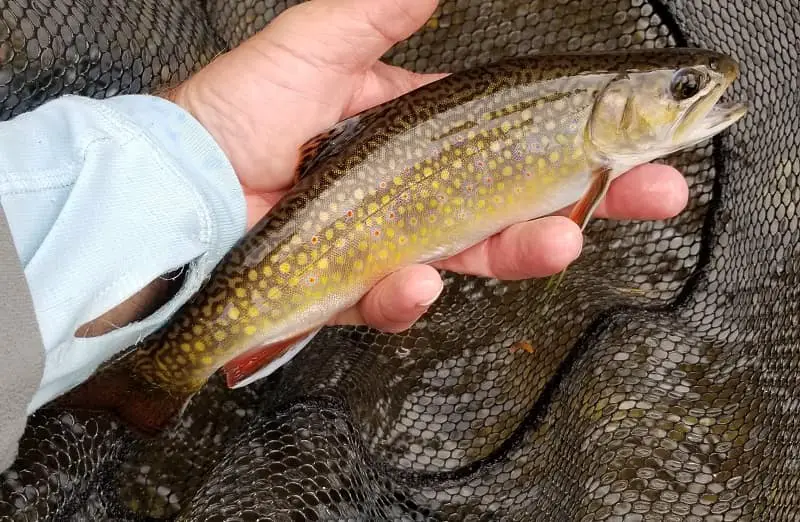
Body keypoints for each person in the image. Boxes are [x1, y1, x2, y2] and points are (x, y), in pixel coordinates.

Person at [0, 0, 689, 471]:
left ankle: (145, 374)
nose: (697, 94)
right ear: (618, 103)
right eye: (683, 90)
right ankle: (154, 376)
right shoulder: (584, 144)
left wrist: (187, 151)